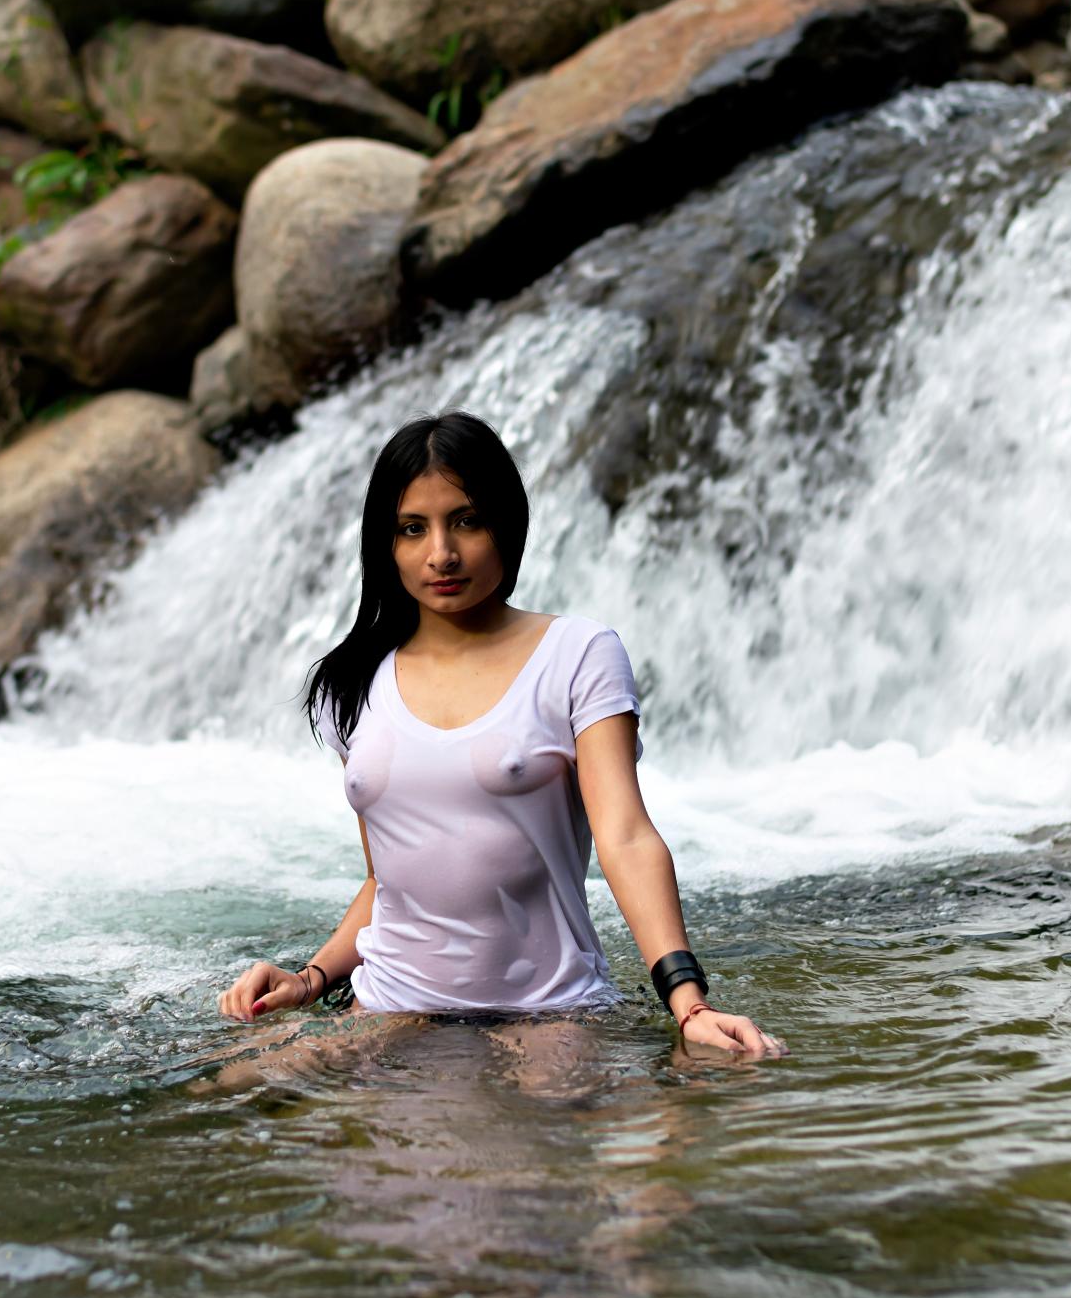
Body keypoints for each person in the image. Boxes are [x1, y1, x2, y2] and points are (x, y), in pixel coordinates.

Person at [218, 411, 785, 1058]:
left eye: (466, 520)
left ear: (506, 525)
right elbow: (387, 881)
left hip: (549, 1013)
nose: (441, 554)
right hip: (390, 1005)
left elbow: (625, 836)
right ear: (385, 544)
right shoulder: (353, 682)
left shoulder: (577, 654)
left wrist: (688, 1003)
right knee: (232, 1089)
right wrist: (311, 978)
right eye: (413, 528)